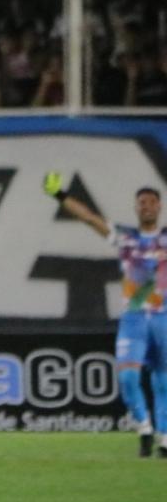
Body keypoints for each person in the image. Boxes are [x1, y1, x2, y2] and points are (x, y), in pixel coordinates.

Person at [43, 172, 167, 457]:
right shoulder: (125, 238)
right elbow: (88, 218)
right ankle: (144, 428)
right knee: (127, 380)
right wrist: (60, 194)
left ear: (159, 207)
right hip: (134, 318)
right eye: (142, 202)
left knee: (163, 381)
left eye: (151, 202)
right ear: (136, 208)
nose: (146, 206)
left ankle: (165, 438)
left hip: (163, 317)